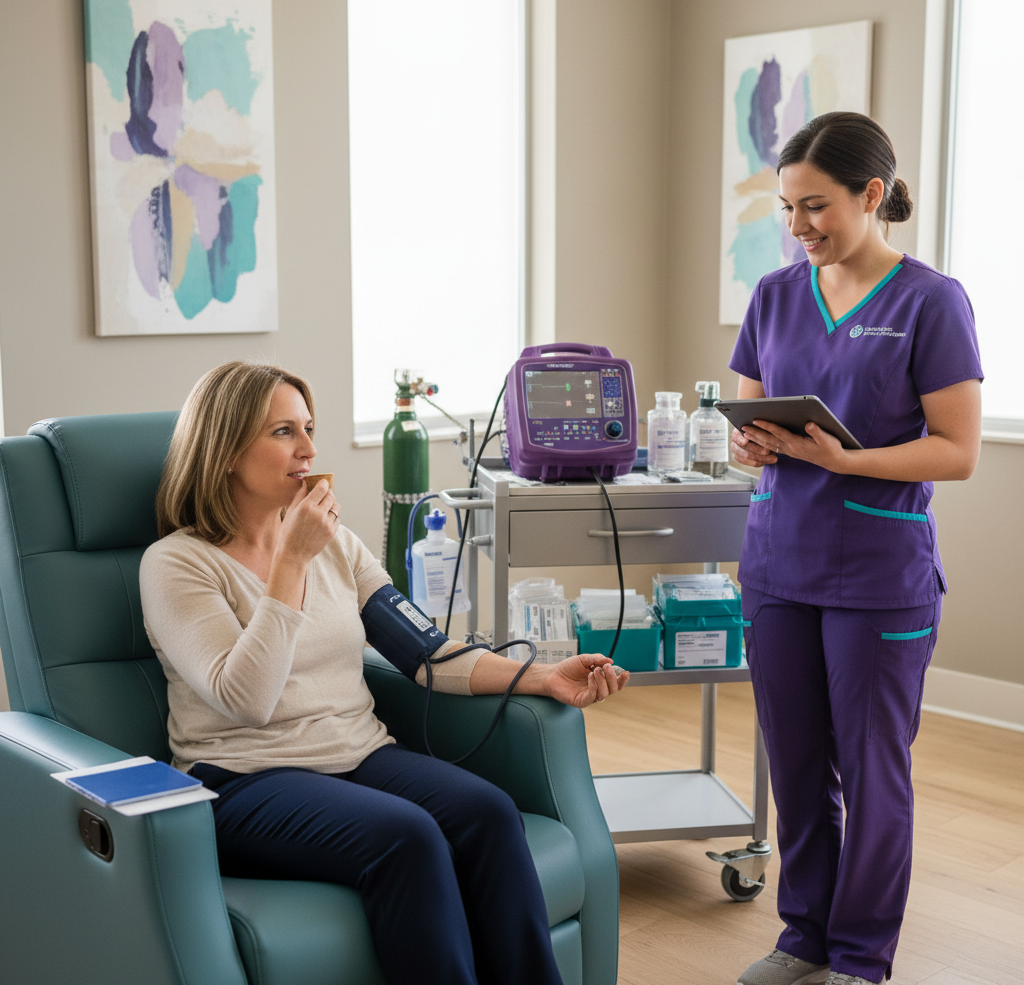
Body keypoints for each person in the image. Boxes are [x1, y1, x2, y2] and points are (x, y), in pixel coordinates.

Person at [139, 360, 629, 985]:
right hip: (240, 778)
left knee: (488, 813)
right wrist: (291, 561)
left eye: (308, 428)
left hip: (355, 753)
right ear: (227, 448)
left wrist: (541, 676)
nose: (310, 450)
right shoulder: (177, 564)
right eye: (283, 432)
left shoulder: (336, 545)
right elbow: (246, 699)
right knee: (408, 837)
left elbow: (425, 652)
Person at [727, 113, 983, 985]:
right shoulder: (773, 295)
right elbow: (747, 417)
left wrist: (852, 460)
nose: (798, 228)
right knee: (795, 766)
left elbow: (958, 450)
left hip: (878, 574)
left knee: (874, 776)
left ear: (872, 196)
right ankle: (802, 936)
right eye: (787, 209)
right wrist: (751, 444)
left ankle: (861, 957)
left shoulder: (930, 301)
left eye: (816, 208)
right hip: (777, 565)